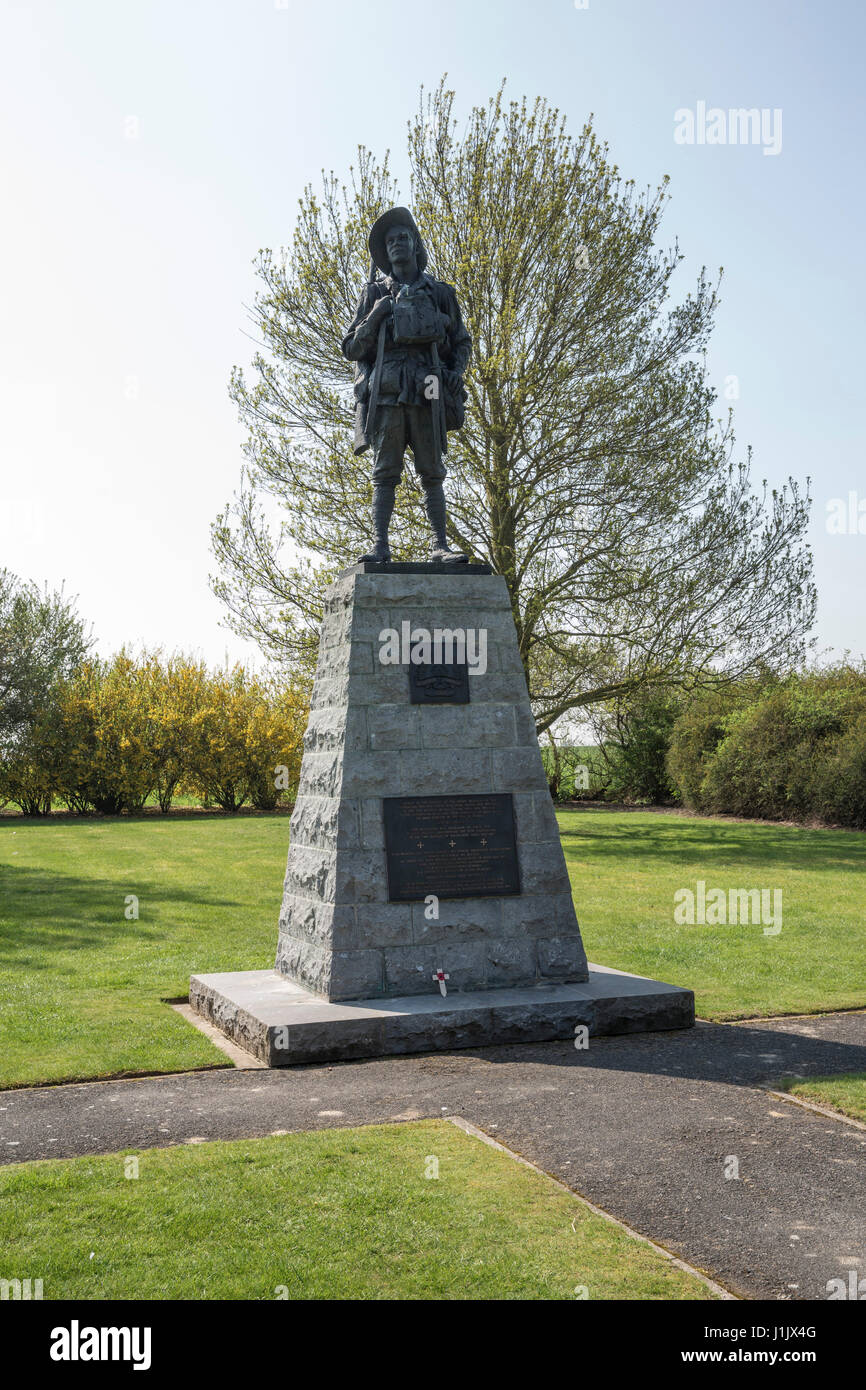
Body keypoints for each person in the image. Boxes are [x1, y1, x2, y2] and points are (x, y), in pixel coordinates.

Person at [342, 207, 472, 563]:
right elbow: (351, 347)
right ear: (385, 251)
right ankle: (380, 545)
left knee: (432, 471)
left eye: (404, 238)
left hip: (428, 388)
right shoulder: (373, 295)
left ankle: (439, 546)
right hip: (387, 393)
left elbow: (461, 342)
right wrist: (376, 315)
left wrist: (454, 373)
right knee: (384, 472)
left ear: (415, 244)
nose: (398, 244)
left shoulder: (441, 293)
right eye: (390, 241)